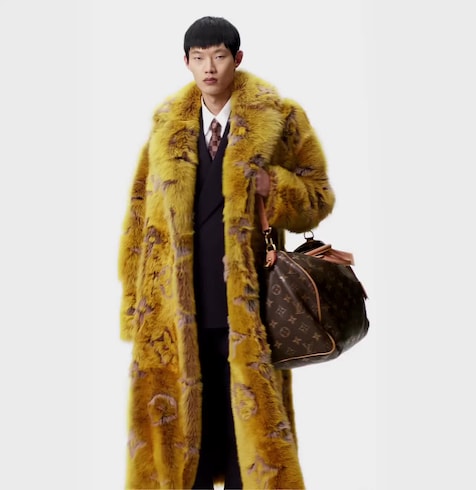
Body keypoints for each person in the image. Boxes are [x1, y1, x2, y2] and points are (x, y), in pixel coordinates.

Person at [118, 16, 335, 490]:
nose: (209, 68)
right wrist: (135, 307)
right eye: (199, 58)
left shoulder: (279, 118)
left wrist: (275, 186)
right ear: (186, 62)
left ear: (237, 59)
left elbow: (319, 197)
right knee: (183, 445)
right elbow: (138, 216)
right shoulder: (166, 127)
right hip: (176, 312)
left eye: (218, 56)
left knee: (248, 444)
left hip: (249, 310)